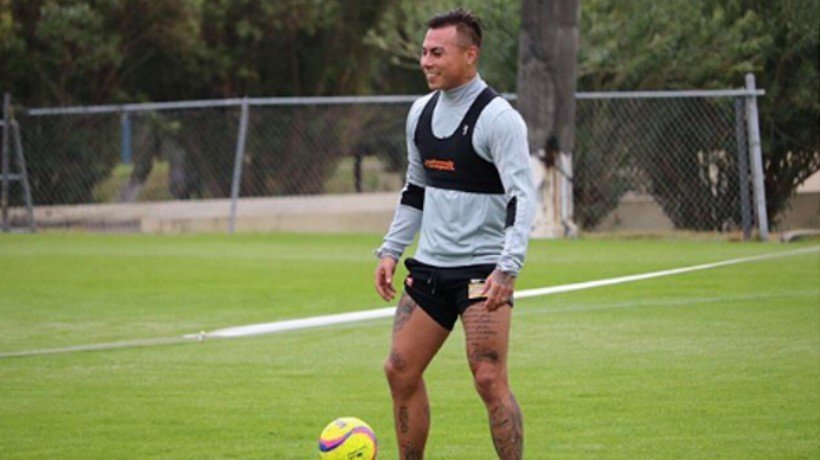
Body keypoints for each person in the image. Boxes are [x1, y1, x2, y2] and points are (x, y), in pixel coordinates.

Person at [373, 8, 535, 459]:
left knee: (488, 378)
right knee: (399, 370)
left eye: (437, 53)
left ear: (470, 54)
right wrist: (391, 250)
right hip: (431, 269)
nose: (426, 61)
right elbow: (415, 189)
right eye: (424, 52)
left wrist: (509, 266)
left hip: (484, 272)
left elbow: (522, 197)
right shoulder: (419, 114)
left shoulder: (499, 119)